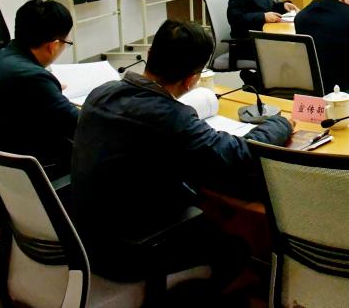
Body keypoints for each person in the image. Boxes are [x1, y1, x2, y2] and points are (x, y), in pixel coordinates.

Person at [71, 20, 294, 296]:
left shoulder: (100, 94)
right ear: (192, 79)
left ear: (150, 54)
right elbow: (239, 154)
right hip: (129, 252)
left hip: (84, 238)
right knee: (236, 250)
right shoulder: (169, 117)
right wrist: (280, 123)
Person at [0, 0, 76, 179]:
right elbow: (79, 125)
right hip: (35, 171)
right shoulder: (34, 78)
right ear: (53, 45)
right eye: (66, 43)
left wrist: (49, 90)